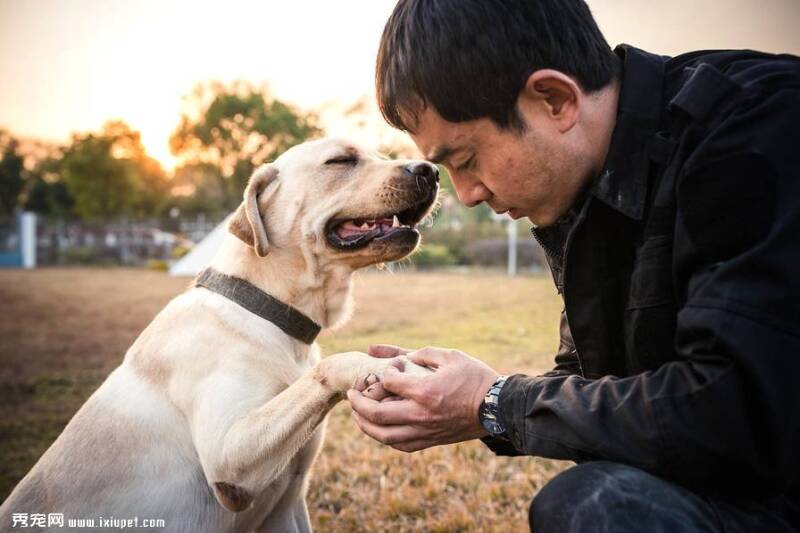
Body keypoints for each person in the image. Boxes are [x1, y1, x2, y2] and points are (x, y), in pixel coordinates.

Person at [345, 0, 800, 531]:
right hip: (744, 486)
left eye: (466, 160)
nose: (465, 195)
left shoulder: (758, 129)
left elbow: (735, 410)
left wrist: (491, 402)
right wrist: (465, 395)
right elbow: (599, 382)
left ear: (555, 99)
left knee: (597, 507)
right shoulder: (588, 186)